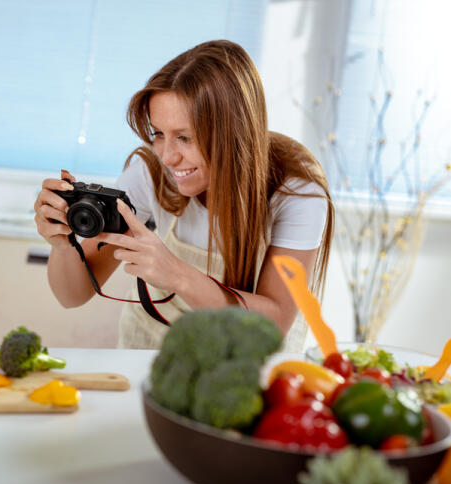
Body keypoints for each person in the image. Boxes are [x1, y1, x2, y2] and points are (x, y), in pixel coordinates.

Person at [33, 40, 334, 351]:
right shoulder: (150, 174)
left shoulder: (295, 192)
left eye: (185, 138)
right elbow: (72, 296)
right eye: (158, 134)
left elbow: (272, 325)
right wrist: (64, 246)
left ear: (235, 132)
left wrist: (177, 274)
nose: (167, 157)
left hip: (251, 358)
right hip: (155, 350)